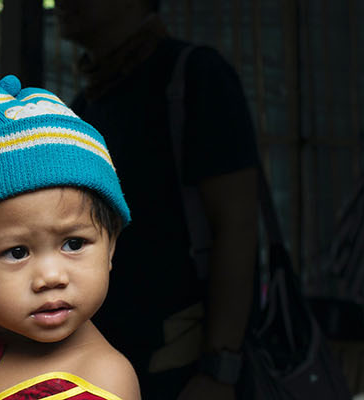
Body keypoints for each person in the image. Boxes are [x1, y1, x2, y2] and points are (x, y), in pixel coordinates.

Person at [57, 0, 261, 398]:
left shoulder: (193, 77)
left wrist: (220, 370)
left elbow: (237, 225)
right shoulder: (85, 105)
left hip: (186, 370)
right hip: (113, 368)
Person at [0, 76, 140, 400]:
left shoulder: (104, 383)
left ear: (111, 246)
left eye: (74, 244)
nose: (51, 277)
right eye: (17, 252)